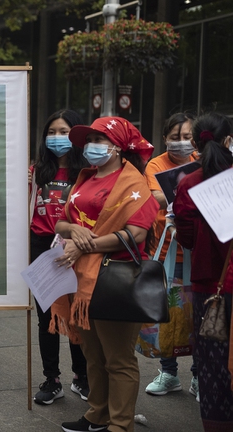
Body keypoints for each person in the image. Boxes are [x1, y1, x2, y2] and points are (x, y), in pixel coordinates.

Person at [52, 117, 159, 432]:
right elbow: (61, 223)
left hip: (116, 279)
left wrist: (85, 246)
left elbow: (136, 234)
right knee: (93, 354)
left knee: (118, 359)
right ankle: (97, 414)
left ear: (117, 147)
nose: (91, 147)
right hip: (81, 279)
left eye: (99, 140)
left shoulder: (132, 183)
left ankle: (120, 424)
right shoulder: (85, 178)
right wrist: (73, 229)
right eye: (89, 140)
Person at [174, 112, 233, 431]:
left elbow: (186, 239)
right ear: (228, 140)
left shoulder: (188, 184)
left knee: (211, 366)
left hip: (208, 289)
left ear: (195, 143)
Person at [29, 109, 89, 405]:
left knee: (78, 314)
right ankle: (51, 379)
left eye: (64, 132)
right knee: (46, 318)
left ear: (77, 136)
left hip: (78, 249)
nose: (56, 138)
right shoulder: (35, 173)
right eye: (51, 132)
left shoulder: (89, 173)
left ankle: (82, 377)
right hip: (42, 249)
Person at [143, 112, 199, 398]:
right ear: (165, 138)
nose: (182, 143)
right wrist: (191, 190)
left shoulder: (201, 161)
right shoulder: (156, 164)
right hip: (165, 251)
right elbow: (156, 198)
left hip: (195, 248)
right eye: (175, 137)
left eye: (187, 137)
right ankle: (168, 372)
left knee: (196, 312)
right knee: (167, 310)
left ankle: (199, 374)